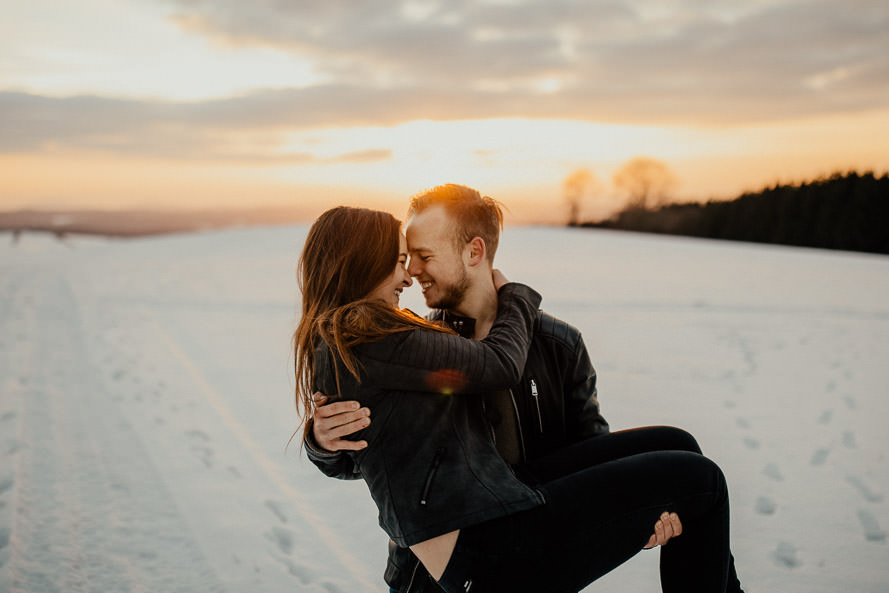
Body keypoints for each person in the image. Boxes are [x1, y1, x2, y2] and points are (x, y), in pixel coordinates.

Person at [294, 205, 743, 592]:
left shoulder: (555, 345)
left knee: (678, 444)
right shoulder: (400, 338)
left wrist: (637, 513)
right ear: (361, 263)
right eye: (401, 260)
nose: (409, 274)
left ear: (474, 251)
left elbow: (590, 445)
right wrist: (322, 440)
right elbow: (377, 449)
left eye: (421, 257)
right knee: (701, 478)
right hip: (465, 558)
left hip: (518, 505)